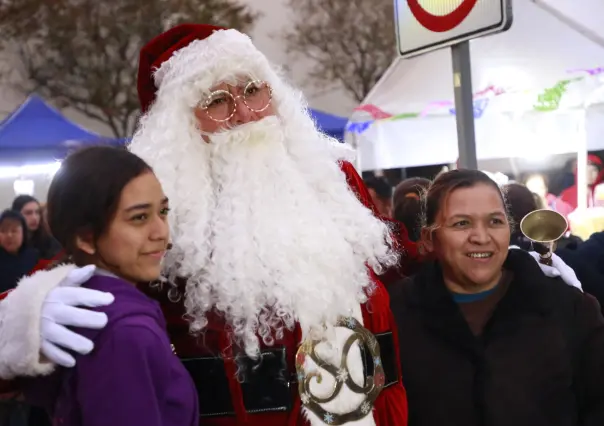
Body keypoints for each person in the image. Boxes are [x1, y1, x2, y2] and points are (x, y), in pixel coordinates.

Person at [0, 24, 582, 426]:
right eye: (219, 100)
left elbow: (408, 261)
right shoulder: (162, 203)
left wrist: (513, 266)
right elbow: (85, 264)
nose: (246, 114)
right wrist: (31, 306)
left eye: (255, 91)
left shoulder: (333, 177)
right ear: (182, 124)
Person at [388, 169, 604, 426]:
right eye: (461, 223)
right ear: (429, 238)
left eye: (495, 222)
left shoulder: (570, 309)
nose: (481, 237)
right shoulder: (396, 315)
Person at [22, 146, 198, 426]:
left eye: (163, 211)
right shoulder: (124, 332)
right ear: (86, 239)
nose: (161, 232)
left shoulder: (85, 304)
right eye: (139, 217)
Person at [0, 210, 39, 293]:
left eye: (14, 231)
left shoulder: (34, 257)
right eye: (3, 231)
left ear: (23, 233)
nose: (9, 235)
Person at [11, 196, 61, 260]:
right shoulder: (9, 243)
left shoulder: (49, 242)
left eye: (37, 212)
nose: (34, 218)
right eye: (28, 213)